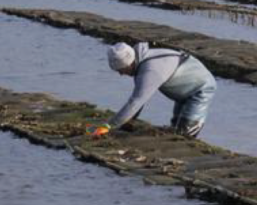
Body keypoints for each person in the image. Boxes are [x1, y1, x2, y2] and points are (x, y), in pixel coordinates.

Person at [89, 42, 217, 138]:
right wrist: (126, 124)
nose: (121, 74)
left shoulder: (150, 71)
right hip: (184, 88)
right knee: (175, 129)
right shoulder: (141, 61)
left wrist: (109, 125)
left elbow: (136, 102)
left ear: (129, 64)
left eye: (121, 71)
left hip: (200, 89)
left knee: (185, 134)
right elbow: (140, 100)